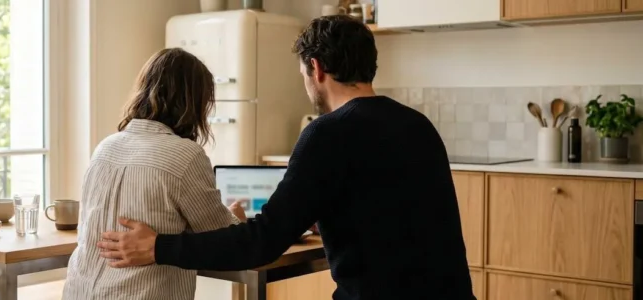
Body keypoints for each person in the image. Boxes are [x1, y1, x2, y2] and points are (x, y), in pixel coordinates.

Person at [96, 15, 476, 300]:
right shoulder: (417, 124)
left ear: (316, 68)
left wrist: (157, 247)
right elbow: (390, 213)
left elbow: (261, 244)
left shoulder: (327, 133)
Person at [62, 48, 246, 300]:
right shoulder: (185, 155)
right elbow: (222, 240)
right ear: (195, 103)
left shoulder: (105, 147)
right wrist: (236, 219)